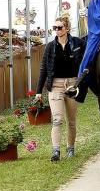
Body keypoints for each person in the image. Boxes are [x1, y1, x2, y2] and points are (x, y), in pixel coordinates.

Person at [36, 15, 86, 162]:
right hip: (56, 85)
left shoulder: (78, 43)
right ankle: (56, 151)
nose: (57, 30)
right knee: (57, 119)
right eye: (55, 28)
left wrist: (82, 83)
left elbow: (86, 63)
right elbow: (44, 69)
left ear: (67, 28)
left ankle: (70, 148)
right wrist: (38, 91)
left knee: (71, 120)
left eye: (60, 27)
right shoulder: (51, 46)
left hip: (72, 84)